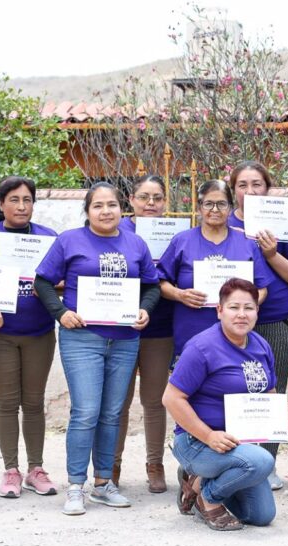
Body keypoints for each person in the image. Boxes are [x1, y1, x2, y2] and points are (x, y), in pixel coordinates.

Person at [33, 183, 161, 516]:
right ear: (87, 211)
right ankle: (76, 486)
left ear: (122, 209)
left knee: (112, 413)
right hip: (82, 338)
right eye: (98, 206)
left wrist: (146, 308)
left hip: (124, 339)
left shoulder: (136, 243)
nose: (106, 211)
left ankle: (104, 484)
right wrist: (61, 313)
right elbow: (42, 281)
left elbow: (151, 285)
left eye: (112, 205)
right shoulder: (69, 241)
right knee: (86, 412)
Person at [163, 278, 278, 531]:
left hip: (239, 443)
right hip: (198, 443)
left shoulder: (261, 345)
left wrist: (279, 417)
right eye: (234, 307)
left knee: (261, 515)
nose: (241, 314)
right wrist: (209, 435)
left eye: (249, 308)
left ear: (257, 311)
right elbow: (171, 398)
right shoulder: (201, 347)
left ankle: (197, 482)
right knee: (261, 462)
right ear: (219, 310)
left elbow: (269, 389)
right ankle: (208, 497)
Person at [0, 177, 58, 499]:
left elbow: (59, 279)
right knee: (8, 402)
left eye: (27, 200)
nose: (21, 206)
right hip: (1, 334)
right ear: (1, 204)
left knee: (35, 402)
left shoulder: (49, 238)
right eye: (14, 200)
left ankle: (35, 469)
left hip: (39, 332)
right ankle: (11, 470)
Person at [228, 161, 288, 489]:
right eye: (242, 185)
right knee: (232, 392)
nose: (250, 191)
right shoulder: (223, 221)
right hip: (233, 324)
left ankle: (268, 464)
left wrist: (273, 253)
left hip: (277, 321)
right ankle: (239, 462)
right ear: (233, 190)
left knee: (270, 392)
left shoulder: (281, 223)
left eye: (257, 184)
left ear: (268, 188)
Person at [157, 179, 272, 355]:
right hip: (191, 331)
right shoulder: (182, 241)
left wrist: (243, 306)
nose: (215, 210)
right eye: (208, 204)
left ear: (230, 207)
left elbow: (262, 289)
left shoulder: (247, 243)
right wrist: (180, 295)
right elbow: (161, 282)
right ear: (199, 208)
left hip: (235, 334)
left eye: (221, 204)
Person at [116, 175, 175, 493]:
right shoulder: (118, 229)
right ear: (131, 200)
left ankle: (155, 464)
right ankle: (111, 465)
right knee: (118, 403)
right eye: (144, 197)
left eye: (157, 198)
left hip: (160, 327)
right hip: (117, 326)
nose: (151, 204)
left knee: (154, 402)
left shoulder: (174, 233)